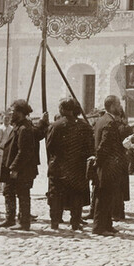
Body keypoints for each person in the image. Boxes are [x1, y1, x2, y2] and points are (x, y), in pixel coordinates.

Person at [45, 98, 94, 231]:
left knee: (56, 195)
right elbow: (90, 148)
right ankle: (75, 222)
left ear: (62, 109)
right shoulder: (84, 126)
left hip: (59, 167)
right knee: (76, 195)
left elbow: (50, 147)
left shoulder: (56, 125)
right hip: (77, 167)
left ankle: (55, 222)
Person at [0, 99, 39, 231]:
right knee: (8, 192)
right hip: (14, 167)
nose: (10, 113)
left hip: (21, 170)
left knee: (22, 194)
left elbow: (24, 152)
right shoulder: (19, 126)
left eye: (13, 111)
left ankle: (24, 222)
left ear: (20, 113)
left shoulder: (24, 129)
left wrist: (14, 168)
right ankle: (10, 219)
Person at [92, 95, 131, 236]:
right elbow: (104, 146)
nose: (120, 107)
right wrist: (101, 162)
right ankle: (99, 226)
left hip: (106, 165)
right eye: (118, 104)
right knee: (103, 196)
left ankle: (107, 224)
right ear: (112, 106)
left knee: (107, 196)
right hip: (107, 165)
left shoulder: (102, 120)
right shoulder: (109, 122)